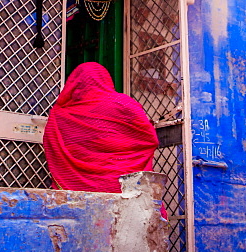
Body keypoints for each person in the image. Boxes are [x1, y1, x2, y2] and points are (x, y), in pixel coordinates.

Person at [43, 62, 159, 193]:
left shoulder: (60, 114)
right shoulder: (124, 104)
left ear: (75, 83)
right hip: (123, 186)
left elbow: (52, 148)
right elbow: (149, 139)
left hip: (75, 189)